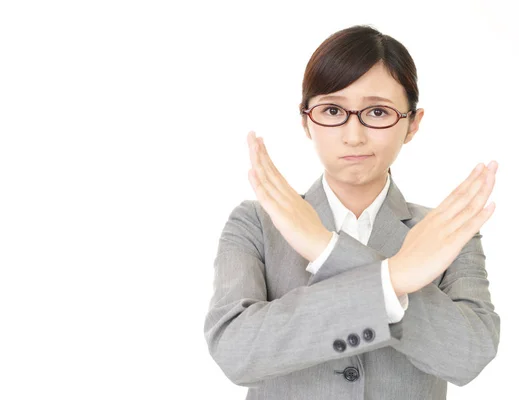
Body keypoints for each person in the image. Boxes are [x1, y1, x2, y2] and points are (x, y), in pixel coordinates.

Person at [204, 24, 500, 400]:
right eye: (332, 110)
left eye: (377, 112)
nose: (353, 135)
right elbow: (236, 353)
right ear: (306, 121)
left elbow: (468, 356)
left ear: (412, 124)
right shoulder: (255, 223)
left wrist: (327, 250)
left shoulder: (445, 231)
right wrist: (392, 280)